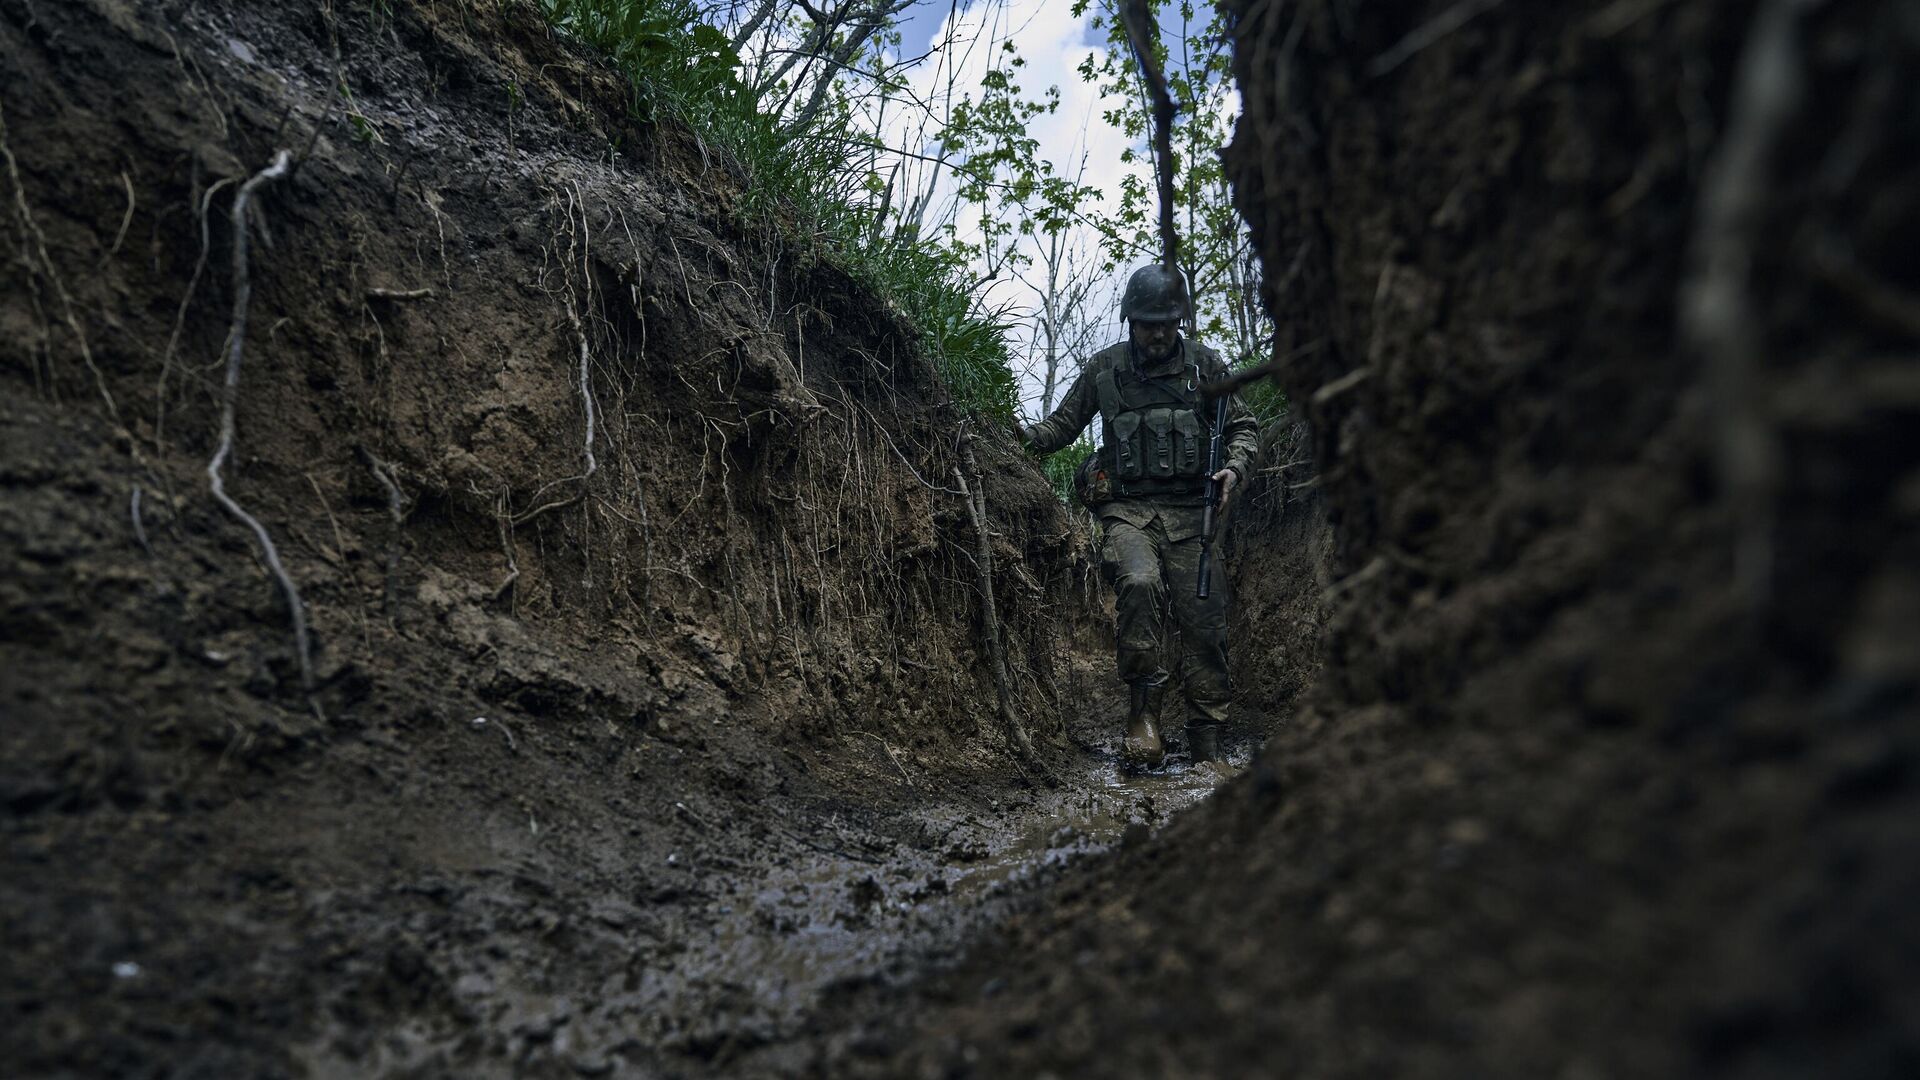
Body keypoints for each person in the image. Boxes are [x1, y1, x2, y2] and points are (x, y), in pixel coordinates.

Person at [1016, 265, 1258, 768]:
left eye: (1167, 323)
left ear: (1180, 322)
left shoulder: (1205, 368)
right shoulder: (1106, 369)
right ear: (1130, 320)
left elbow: (1244, 428)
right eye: (1148, 323)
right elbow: (1062, 424)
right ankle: (1143, 715)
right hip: (1129, 512)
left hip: (1195, 515)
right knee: (1140, 582)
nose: (1158, 333)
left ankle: (1207, 743)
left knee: (1205, 620)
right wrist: (1021, 437)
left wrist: (1234, 469)